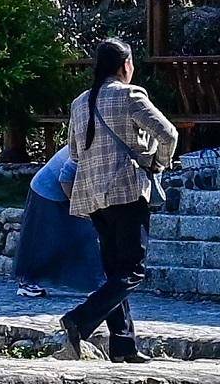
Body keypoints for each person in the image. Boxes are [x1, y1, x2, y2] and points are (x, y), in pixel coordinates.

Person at [56, 39, 180, 362]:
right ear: (125, 65)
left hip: (93, 198)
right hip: (126, 192)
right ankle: (80, 320)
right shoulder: (130, 95)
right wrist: (157, 161)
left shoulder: (79, 103)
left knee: (116, 273)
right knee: (134, 270)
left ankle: (124, 347)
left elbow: (73, 153)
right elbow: (169, 134)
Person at [10, 139, 96, 296]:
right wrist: (76, 205)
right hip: (46, 189)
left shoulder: (97, 139)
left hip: (64, 191)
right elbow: (66, 176)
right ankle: (27, 282)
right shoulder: (90, 143)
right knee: (42, 240)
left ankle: (92, 284)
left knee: (82, 235)